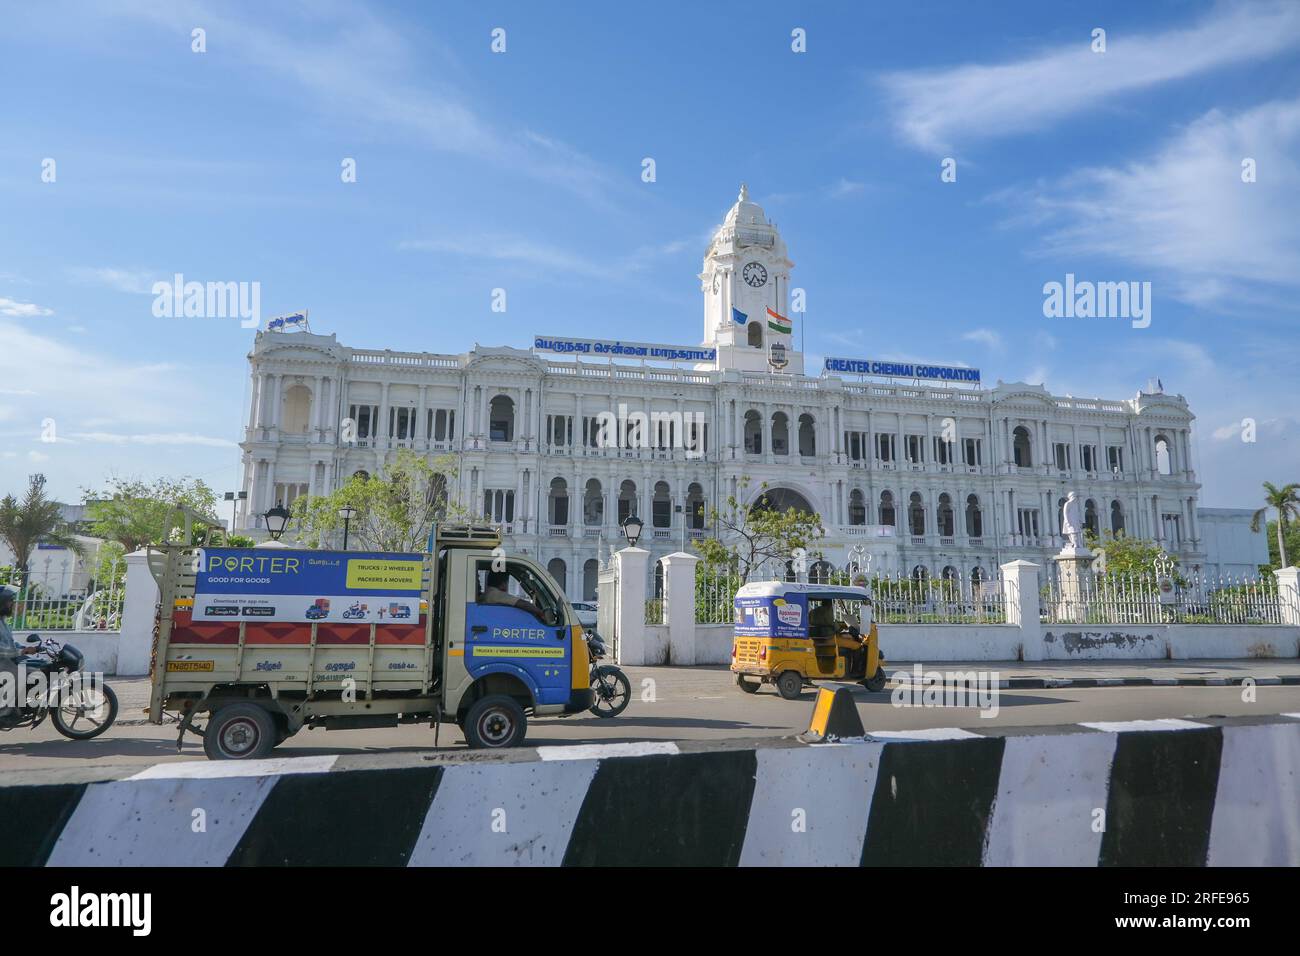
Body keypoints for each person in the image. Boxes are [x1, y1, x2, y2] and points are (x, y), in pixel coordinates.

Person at [0, 584, 41, 726]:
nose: (12, 604)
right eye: (9, 601)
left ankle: (19, 706)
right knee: (18, 675)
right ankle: (4, 714)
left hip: (5, 661)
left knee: (34, 670)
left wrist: (25, 648)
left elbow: (10, 643)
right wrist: (21, 652)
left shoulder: (2, 621)